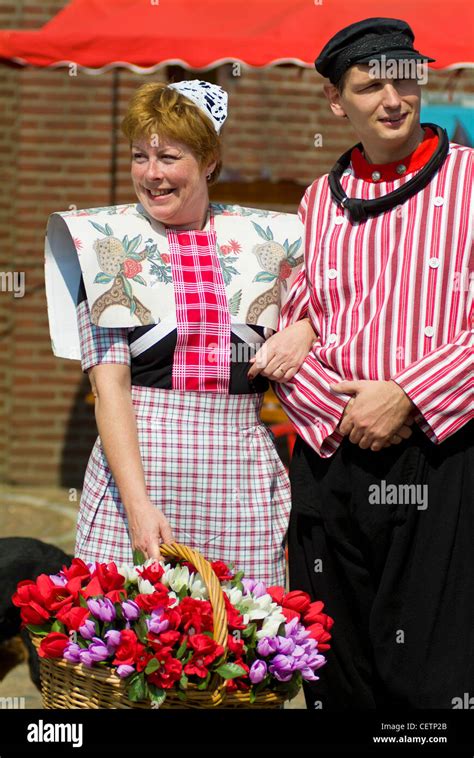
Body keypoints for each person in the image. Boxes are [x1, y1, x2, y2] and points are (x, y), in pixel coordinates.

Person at [263, 19, 473, 708]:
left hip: (443, 460)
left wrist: (407, 396)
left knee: (432, 679)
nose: (393, 98)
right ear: (336, 101)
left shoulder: (471, 185)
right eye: (370, 84)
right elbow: (287, 326)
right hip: (333, 459)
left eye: (405, 79)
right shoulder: (316, 203)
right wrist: (344, 413)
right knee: (335, 669)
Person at [44, 80, 316, 587]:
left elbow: (344, 303)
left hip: (238, 479)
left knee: (240, 642)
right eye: (139, 156)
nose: (151, 174)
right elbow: (110, 390)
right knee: (129, 652)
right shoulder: (102, 244)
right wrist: (139, 506)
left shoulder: (274, 241)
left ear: (210, 160)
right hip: (135, 477)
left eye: (168, 156)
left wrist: (305, 327)